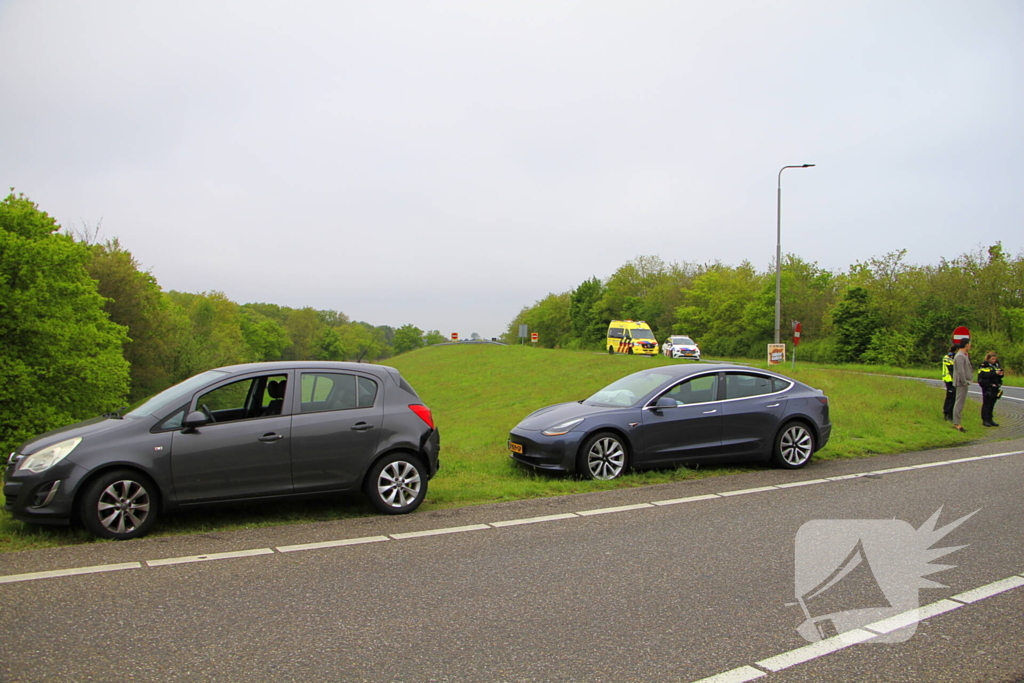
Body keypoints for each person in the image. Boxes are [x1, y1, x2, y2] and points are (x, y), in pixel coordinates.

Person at [977, 351, 1004, 427]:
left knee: (992, 403)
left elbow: (999, 374)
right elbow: (983, 375)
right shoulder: (984, 365)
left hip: (995, 386)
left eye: (995, 359)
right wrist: (995, 373)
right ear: (988, 359)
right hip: (987, 386)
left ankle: (990, 419)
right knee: (987, 403)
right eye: (992, 359)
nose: (994, 360)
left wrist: (1001, 374)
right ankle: (985, 419)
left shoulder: (997, 365)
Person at [941, 344, 957, 421]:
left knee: (954, 398)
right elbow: (952, 368)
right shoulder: (947, 357)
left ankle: (951, 413)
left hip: (955, 380)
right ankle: (947, 413)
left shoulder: (955, 357)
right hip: (949, 379)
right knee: (950, 397)